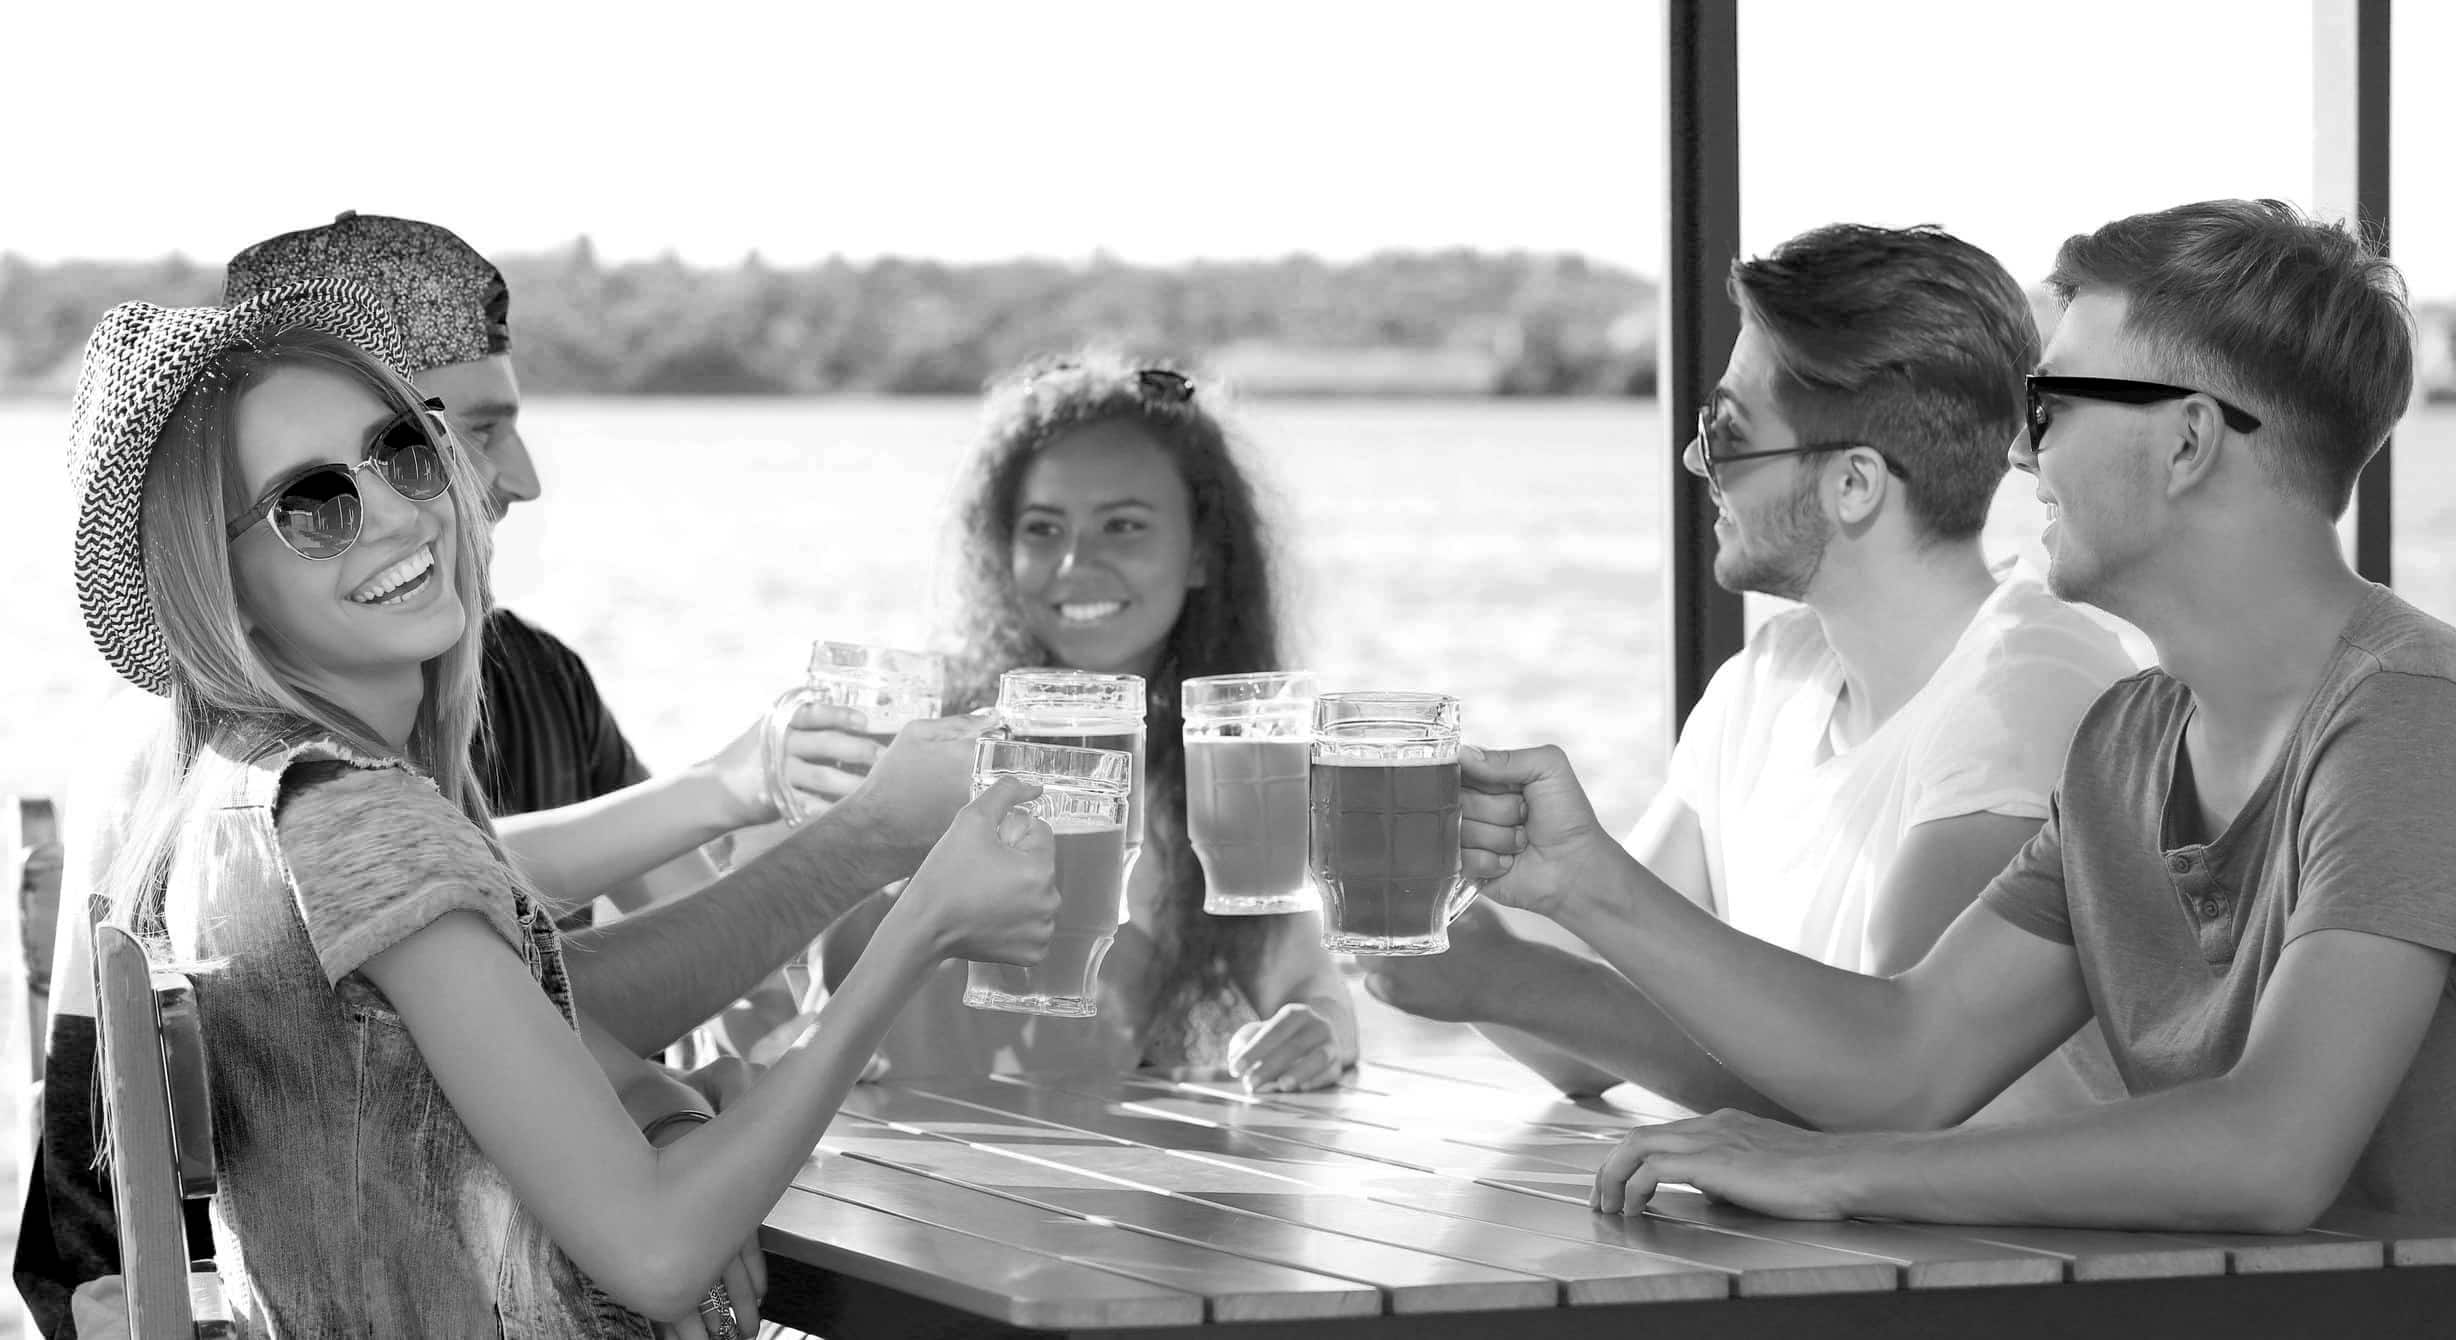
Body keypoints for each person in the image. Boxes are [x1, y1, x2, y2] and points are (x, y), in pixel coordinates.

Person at [16, 217, 966, 1334]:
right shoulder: (345, 810)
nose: (412, 506)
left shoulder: (241, 782)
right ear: (213, 579)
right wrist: (923, 924)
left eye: (406, 449)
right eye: (313, 504)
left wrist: (660, 1099)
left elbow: (519, 1002)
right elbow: (658, 1251)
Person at [1462, 199, 2456, 1229]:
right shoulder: (2124, 744)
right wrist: (1580, 883)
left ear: (2186, 441)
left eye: (2052, 409)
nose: (2019, 458)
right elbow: (1905, 1057)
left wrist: (1836, 1170)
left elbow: (2270, 1150)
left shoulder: (2407, 713)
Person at [1369, 223, 2135, 1121]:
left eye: (1727, 434)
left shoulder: (2027, 692)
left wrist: (1512, 977)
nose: (1698, 462)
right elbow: (1583, 1042)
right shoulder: (1771, 679)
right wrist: (1448, 917)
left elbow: (1880, 1098)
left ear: (1854, 484)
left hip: (2007, 1256)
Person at [817, 355, 1358, 1091]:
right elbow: (818, 977)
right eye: (1042, 528)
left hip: (1104, 1183)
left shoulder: (1222, 774)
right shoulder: (926, 746)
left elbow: (1308, 985)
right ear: (1000, 548)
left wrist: (1310, 1034)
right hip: (881, 1171)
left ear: (1202, 550)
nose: (1075, 561)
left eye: (1123, 526)